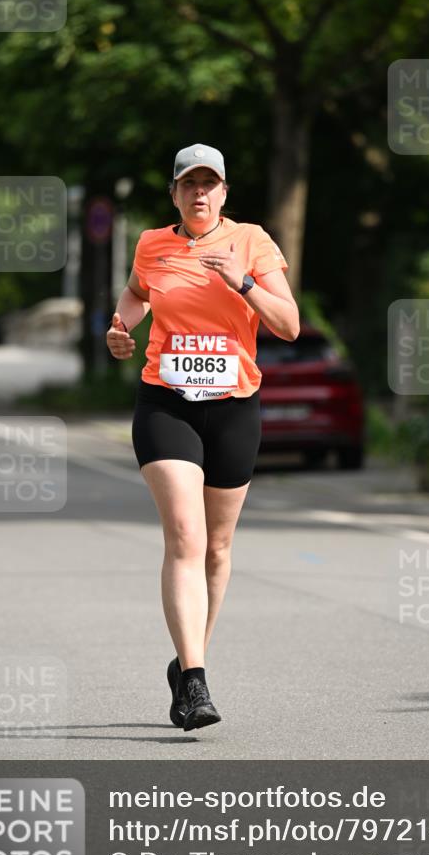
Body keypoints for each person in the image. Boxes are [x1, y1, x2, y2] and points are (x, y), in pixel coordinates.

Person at [107, 144, 299, 732]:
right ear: (174, 193)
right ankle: (195, 682)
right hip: (166, 403)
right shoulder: (151, 244)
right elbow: (139, 295)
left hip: (235, 405)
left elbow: (287, 325)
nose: (199, 193)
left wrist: (242, 284)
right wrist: (121, 329)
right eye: (188, 184)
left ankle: (190, 660)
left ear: (223, 192)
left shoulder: (252, 242)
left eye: (209, 184)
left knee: (217, 549)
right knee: (185, 537)